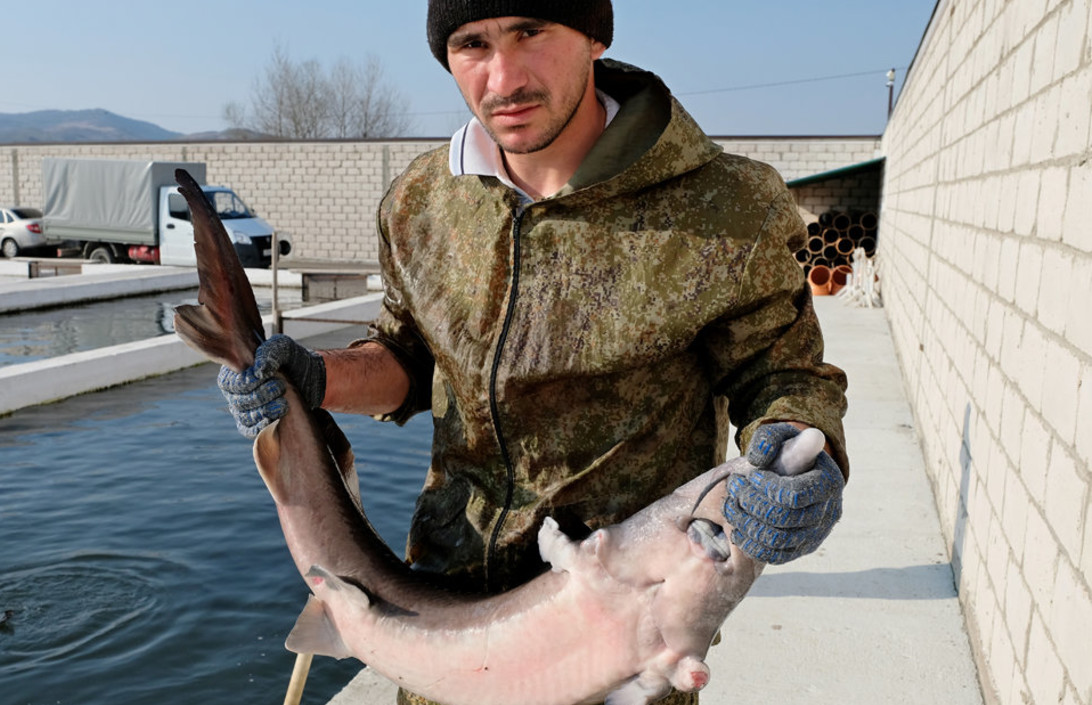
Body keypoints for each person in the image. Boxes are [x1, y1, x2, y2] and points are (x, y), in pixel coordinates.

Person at [220, 2, 848, 703]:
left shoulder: (727, 205)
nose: (503, 76)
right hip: (436, 629)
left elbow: (785, 378)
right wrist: (316, 378)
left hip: (617, 647)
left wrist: (803, 461)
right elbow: (411, 357)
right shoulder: (420, 204)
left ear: (594, 36)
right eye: (472, 44)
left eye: (530, 32)